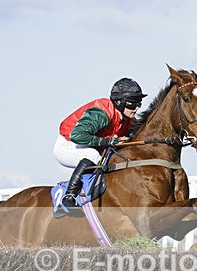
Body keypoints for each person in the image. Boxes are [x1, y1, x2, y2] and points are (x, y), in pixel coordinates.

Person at [53, 77, 147, 209]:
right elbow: (77, 135)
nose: (136, 108)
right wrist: (107, 141)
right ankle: (69, 197)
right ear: (119, 102)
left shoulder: (128, 119)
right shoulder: (102, 113)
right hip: (68, 144)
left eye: (139, 104)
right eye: (132, 104)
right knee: (93, 155)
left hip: (86, 144)